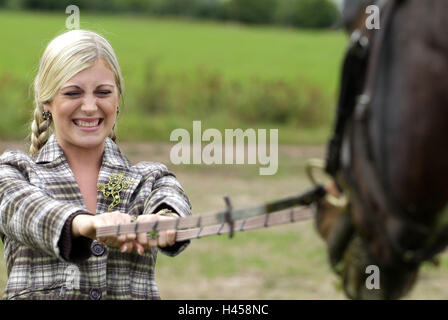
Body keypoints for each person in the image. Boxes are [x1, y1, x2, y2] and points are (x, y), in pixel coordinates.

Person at [0, 29, 192, 300]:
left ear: (117, 101)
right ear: (47, 103)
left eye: (103, 92)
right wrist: (86, 224)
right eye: (72, 93)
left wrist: (165, 221)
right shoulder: (14, 173)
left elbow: (172, 200)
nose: (90, 107)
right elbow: (24, 209)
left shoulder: (148, 178)